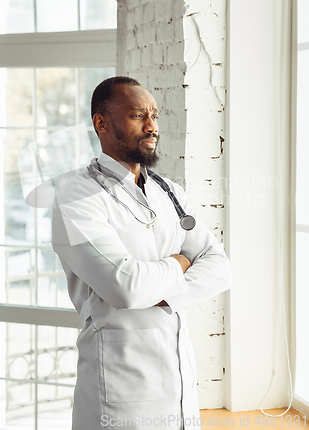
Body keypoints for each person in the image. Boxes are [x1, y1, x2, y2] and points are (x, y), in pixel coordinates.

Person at [51, 76, 232, 430]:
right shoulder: (77, 197)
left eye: (155, 116)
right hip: (119, 395)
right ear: (101, 123)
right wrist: (181, 262)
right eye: (138, 116)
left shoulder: (170, 192)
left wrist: (158, 288)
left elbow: (221, 268)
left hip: (180, 390)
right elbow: (125, 288)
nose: (152, 127)